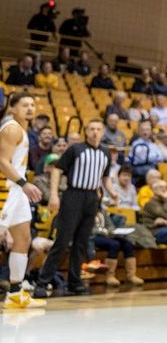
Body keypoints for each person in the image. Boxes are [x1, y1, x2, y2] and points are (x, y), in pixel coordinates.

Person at [33, 119, 112, 298]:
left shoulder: (106, 153)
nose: (95, 132)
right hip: (73, 195)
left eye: (98, 129)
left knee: (81, 242)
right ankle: (42, 282)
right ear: (86, 131)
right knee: (62, 241)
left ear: (103, 132)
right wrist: (53, 194)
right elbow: (57, 170)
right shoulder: (75, 149)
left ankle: (75, 283)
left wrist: (113, 193)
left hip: (92, 198)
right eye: (91, 129)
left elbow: (105, 178)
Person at [0, 93, 46, 310]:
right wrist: (24, 183)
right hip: (6, 189)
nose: (30, 108)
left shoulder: (23, 129)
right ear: (13, 108)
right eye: (25, 105)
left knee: (23, 238)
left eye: (32, 104)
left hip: (16, 191)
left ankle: (15, 294)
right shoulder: (11, 129)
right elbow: (2, 162)